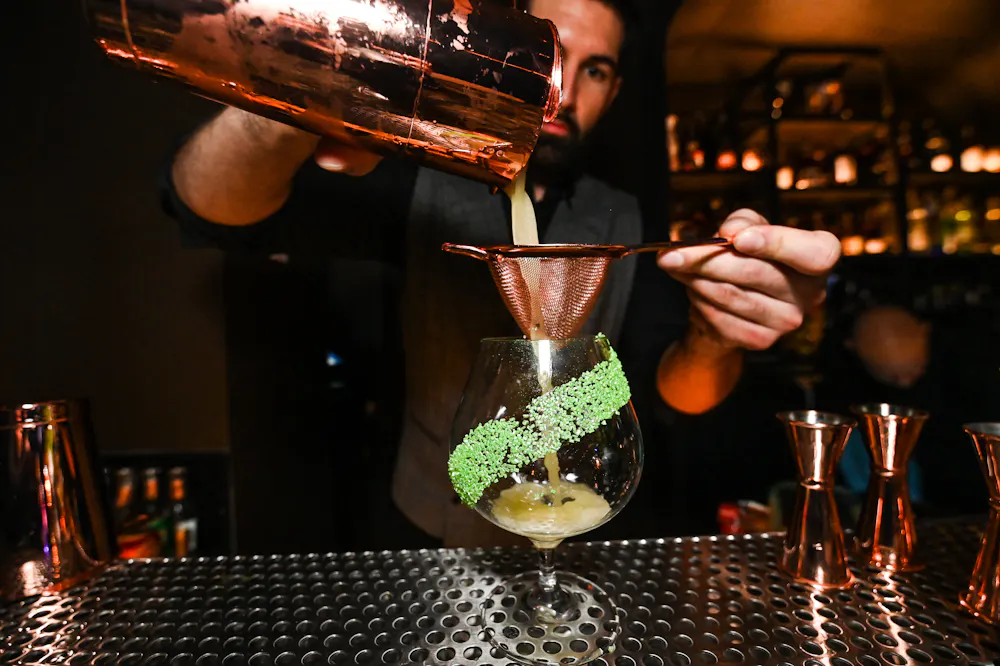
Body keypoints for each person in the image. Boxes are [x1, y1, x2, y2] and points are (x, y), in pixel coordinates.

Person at [161, 0, 841, 548]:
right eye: (551, 56)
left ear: (616, 92)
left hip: (582, 532)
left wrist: (716, 334)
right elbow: (212, 211)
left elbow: (676, 391)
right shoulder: (415, 179)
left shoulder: (625, 216)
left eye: (597, 71)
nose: (566, 92)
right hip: (427, 532)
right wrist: (296, 109)